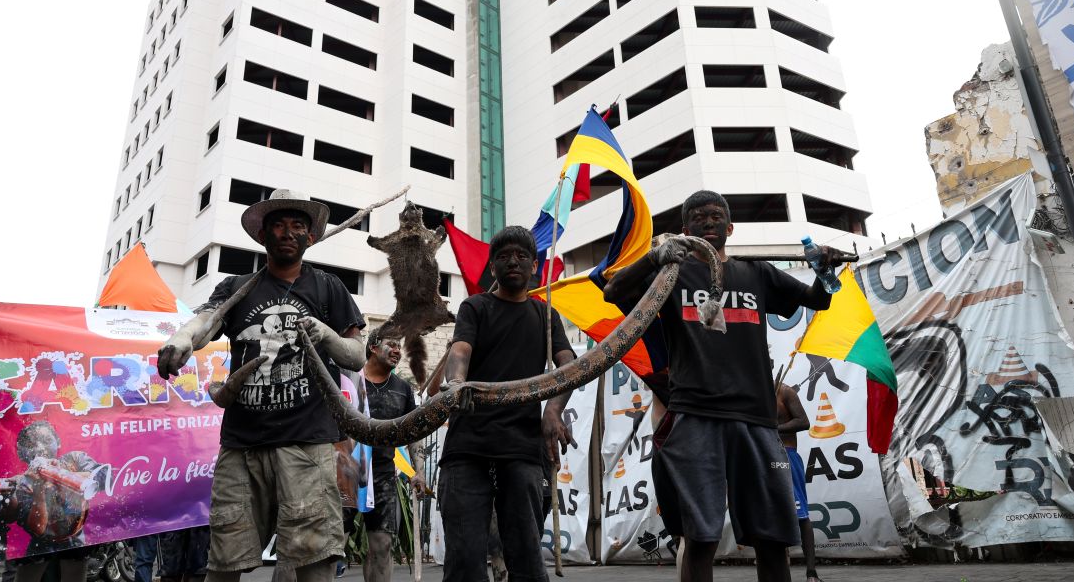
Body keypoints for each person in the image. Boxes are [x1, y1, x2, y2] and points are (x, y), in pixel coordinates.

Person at [603, 190, 841, 582]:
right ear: (685, 230)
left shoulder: (756, 272)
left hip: (757, 421)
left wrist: (825, 272)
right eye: (698, 217)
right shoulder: (670, 275)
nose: (708, 222)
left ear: (730, 227)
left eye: (716, 216)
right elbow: (613, 292)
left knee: (772, 539)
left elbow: (818, 300)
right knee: (700, 538)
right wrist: (654, 257)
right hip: (695, 416)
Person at [156, 190, 366, 582]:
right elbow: (205, 323)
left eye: (297, 226)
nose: (287, 233)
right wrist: (181, 338)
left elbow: (356, 356)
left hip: (307, 445)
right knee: (225, 561)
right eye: (278, 226)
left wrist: (326, 334)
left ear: (310, 238)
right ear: (263, 236)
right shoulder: (238, 287)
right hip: (242, 447)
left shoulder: (328, 287)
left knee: (313, 561)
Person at [438, 226, 576, 582]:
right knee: (465, 561)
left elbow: (570, 366)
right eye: (503, 256)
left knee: (527, 559)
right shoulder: (475, 307)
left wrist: (553, 410)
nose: (513, 261)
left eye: (521, 256)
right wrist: (456, 384)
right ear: (492, 267)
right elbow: (460, 350)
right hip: (468, 446)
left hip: (522, 448)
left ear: (535, 266)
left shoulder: (546, 316)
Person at [348, 330, 426, 582]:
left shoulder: (403, 389)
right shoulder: (350, 380)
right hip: (345, 474)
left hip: (383, 477)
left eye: (399, 347)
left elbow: (414, 433)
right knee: (331, 544)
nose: (397, 351)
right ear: (372, 347)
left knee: (381, 546)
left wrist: (418, 471)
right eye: (391, 345)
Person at [9, 421, 107, 582]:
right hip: (40, 546)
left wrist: (62, 474)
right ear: (21, 453)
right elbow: (37, 529)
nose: (40, 448)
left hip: (75, 541)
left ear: (58, 442)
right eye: (31, 444)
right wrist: (39, 490)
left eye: (47, 441)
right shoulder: (22, 483)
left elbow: (105, 476)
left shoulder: (74, 459)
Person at [775, 384, 820, 582]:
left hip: (786, 455)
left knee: (800, 515)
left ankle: (811, 573)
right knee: (771, 516)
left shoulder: (784, 391)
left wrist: (774, 428)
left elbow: (803, 421)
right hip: (763, 457)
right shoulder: (754, 392)